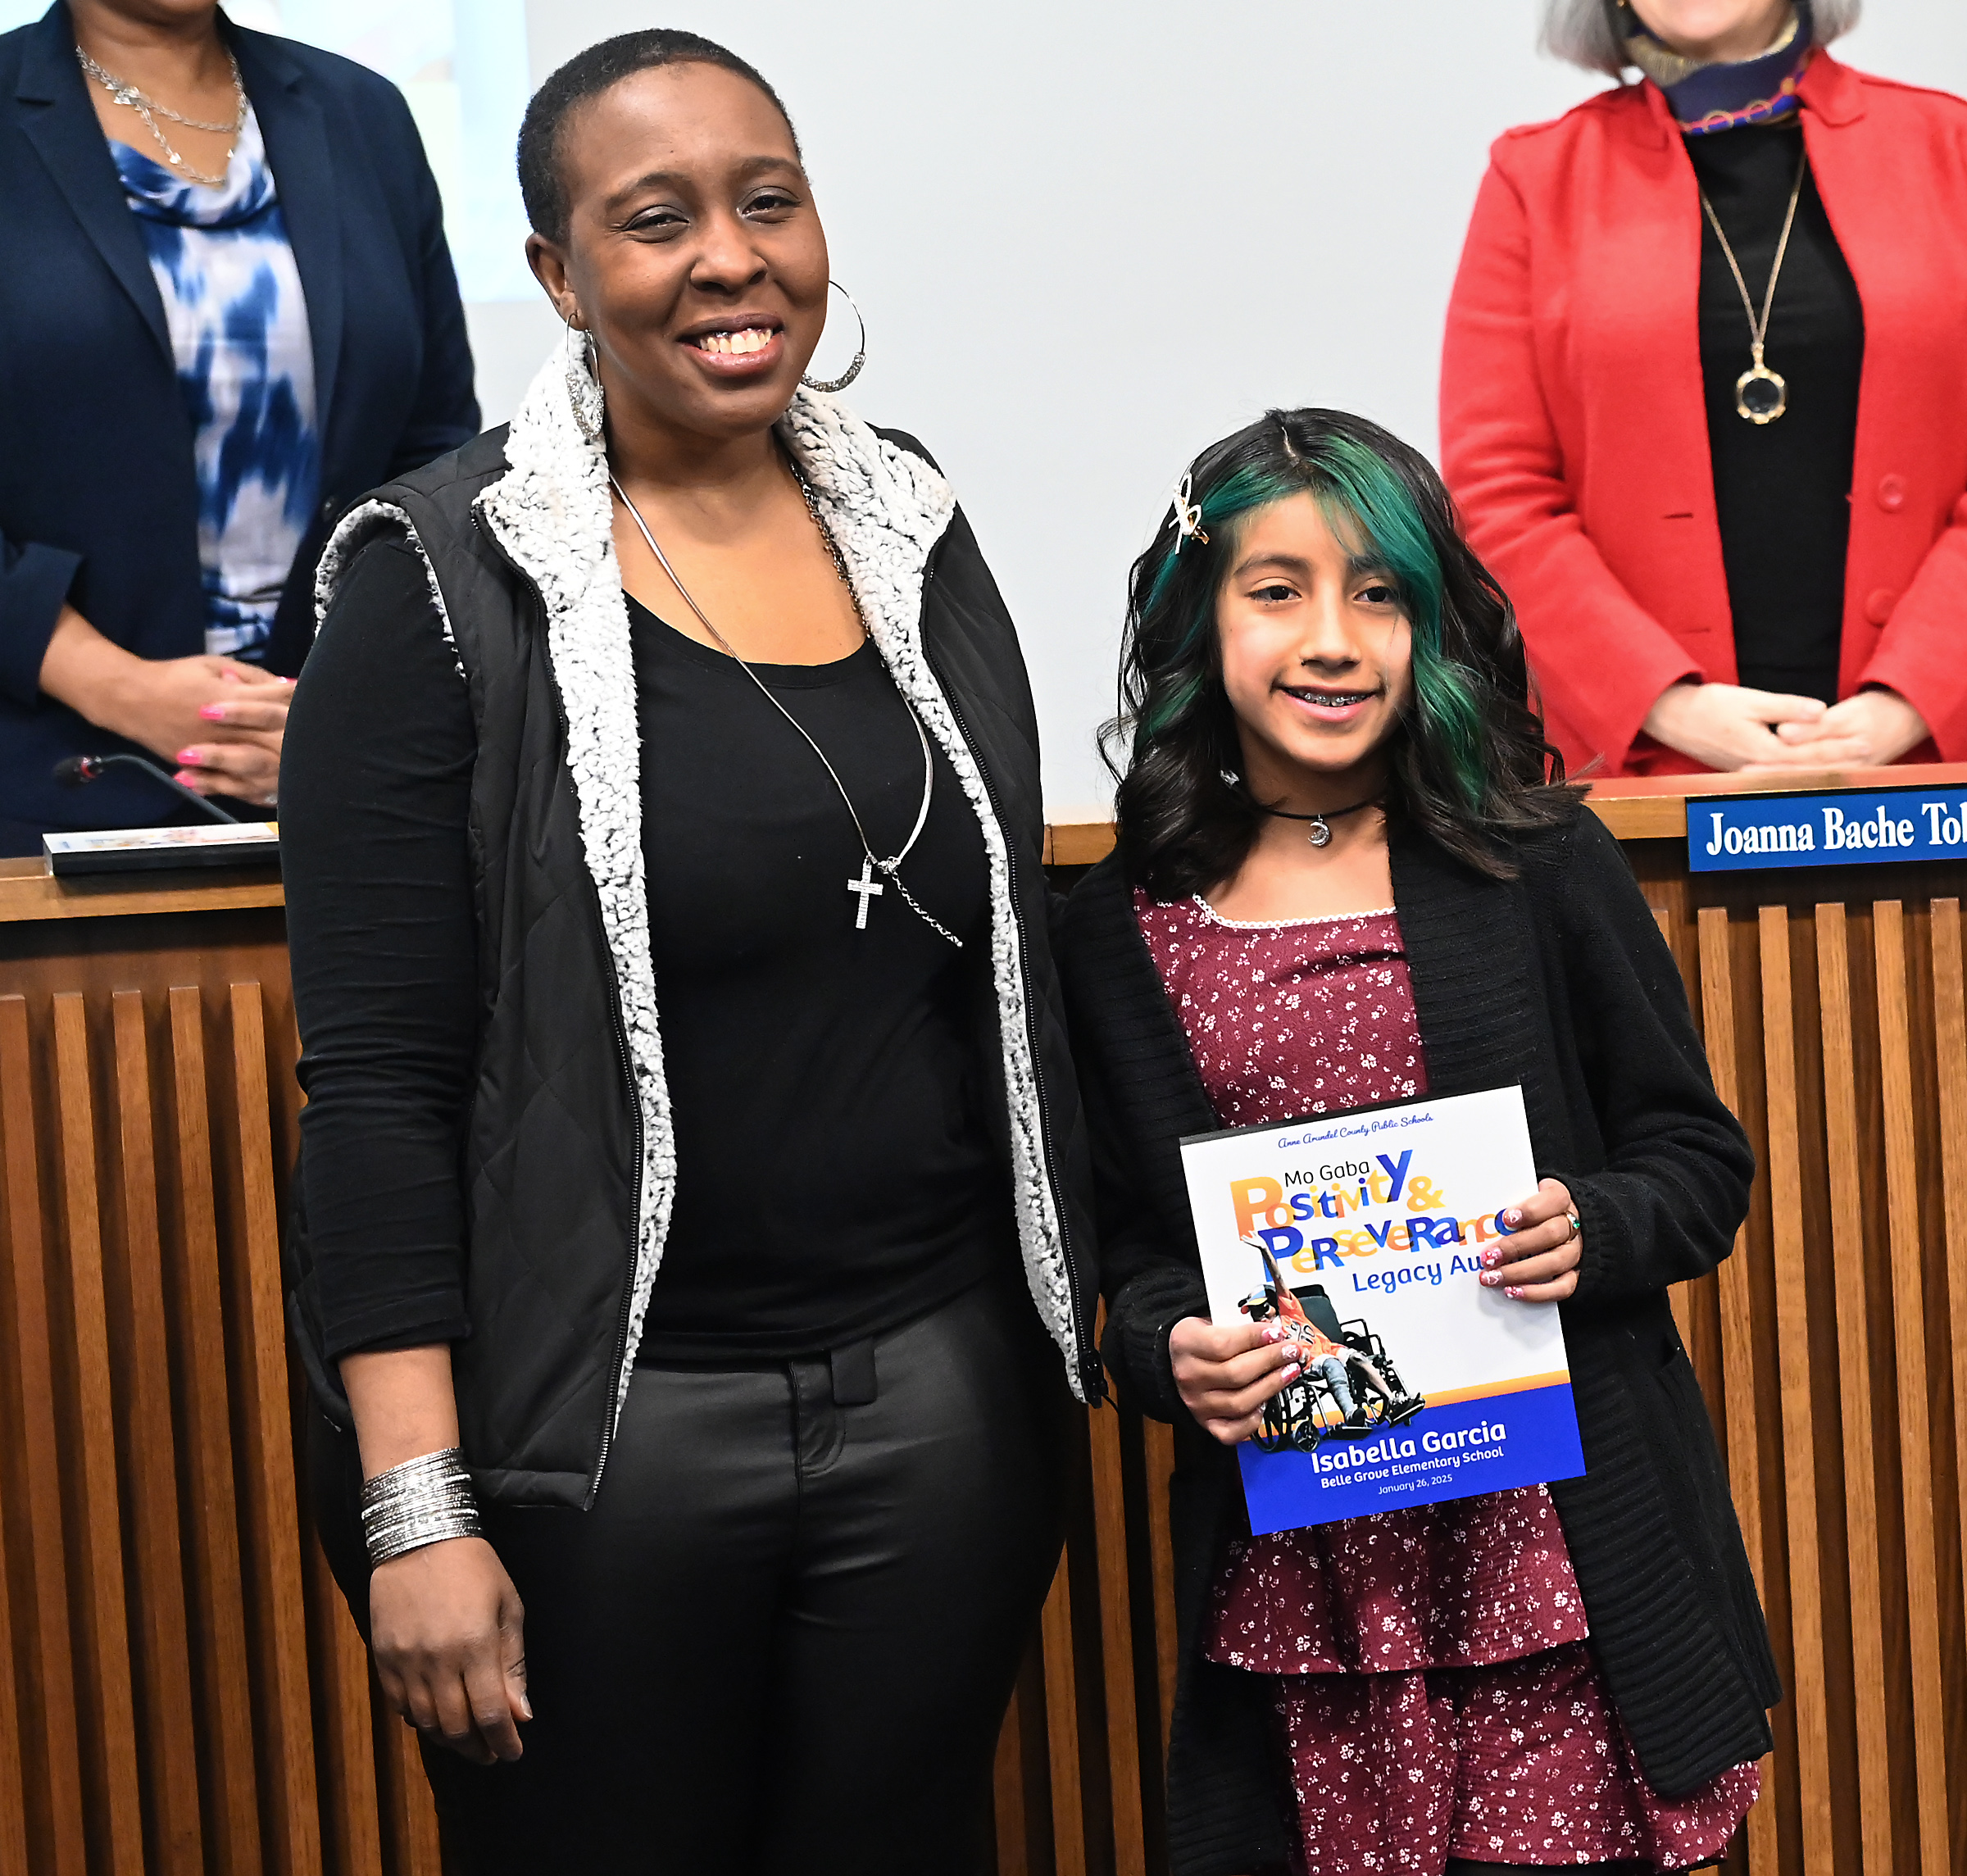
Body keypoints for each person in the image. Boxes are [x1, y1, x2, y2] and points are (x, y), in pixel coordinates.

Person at [278, 30, 1098, 1873]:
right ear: (562, 279)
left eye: (767, 201)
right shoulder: (439, 577)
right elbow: (383, 1089)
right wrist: (419, 1510)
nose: (730, 258)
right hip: (609, 1450)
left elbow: (1005, 974)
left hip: (942, 1415)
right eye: (655, 223)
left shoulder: (911, 520)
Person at [1057, 409, 1776, 1875]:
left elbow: (1695, 1157)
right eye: (1279, 589)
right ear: (1202, 614)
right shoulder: (1122, 927)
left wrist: (1598, 1221)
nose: (1334, 637)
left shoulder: (1531, 855)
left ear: (1432, 618)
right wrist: (1166, 1347)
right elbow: (1128, 1252)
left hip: (1555, 1556)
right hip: (1309, 1580)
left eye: (1378, 591)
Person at [1440, 0, 1967, 778]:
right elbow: (1497, 491)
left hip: (1933, 761)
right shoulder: (1535, 177)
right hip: (1648, 772)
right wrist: (1666, 705)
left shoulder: (1949, 148)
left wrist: (1920, 695)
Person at [0, 0, 477, 852]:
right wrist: (114, 687)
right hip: (47, 784)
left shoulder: (360, 113)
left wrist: (343, 707)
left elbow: (436, 449)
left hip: (355, 777)